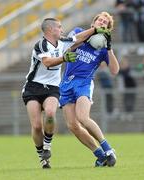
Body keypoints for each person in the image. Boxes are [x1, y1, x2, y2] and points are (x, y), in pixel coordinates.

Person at [22, 17, 101, 169]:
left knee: (50, 113)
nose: (62, 30)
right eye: (59, 27)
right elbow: (47, 62)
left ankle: (47, 145)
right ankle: (42, 156)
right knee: (37, 126)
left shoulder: (63, 42)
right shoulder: (41, 45)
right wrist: (64, 58)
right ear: (50, 30)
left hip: (52, 87)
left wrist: (95, 30)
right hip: (33, 87)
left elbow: (79, 37)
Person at [59, 12, 119, 167]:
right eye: (100, 19)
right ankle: (100, 155)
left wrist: (109, 48)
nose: (102, 22)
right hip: (66, 83)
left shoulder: (103, 48)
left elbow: (114, 70)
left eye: (105, 22)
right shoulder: (79, 32)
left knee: (83, 118)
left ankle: (108, 150)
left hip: (84, 83)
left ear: (107, 29)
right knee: (72, 125)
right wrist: (92, 33)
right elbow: (68, 47)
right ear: (94, 22)